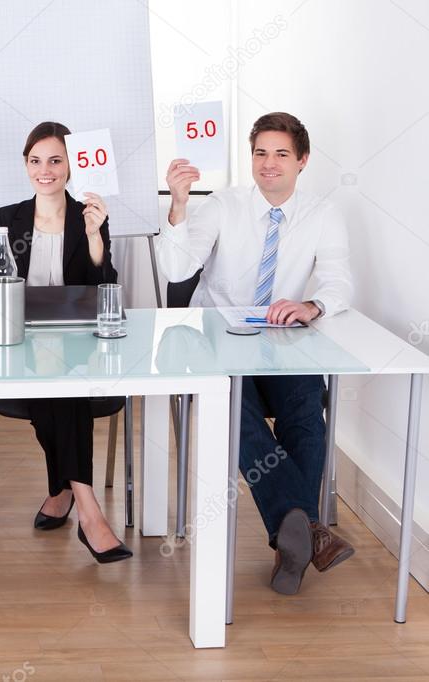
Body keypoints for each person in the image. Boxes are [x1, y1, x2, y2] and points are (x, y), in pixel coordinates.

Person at [156, 111, 355, 594]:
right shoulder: (222, 205)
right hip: (219, 339)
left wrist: (312, 304)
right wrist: (179, 205)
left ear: (302, 161)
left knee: (307, 408)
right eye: (260, 153)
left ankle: (295, 537)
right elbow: (179, 266)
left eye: (281, 154)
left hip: (282, 342)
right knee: (232, 406)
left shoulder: (322, 214)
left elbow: (339, 280)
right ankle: (308, 527)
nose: (269, 164)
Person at [0, 121, 131, 563]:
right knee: (61, 391)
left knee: (64, 386)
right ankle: (88, 510)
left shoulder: (88, 216)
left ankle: (65, 495)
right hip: (18, 342)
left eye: (56, 160)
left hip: (76, 344)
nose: (46, 170)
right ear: (26, 165)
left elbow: (106, 290)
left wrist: (96, 236)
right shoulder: (8, 219)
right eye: (36, 160)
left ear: (72, 165)